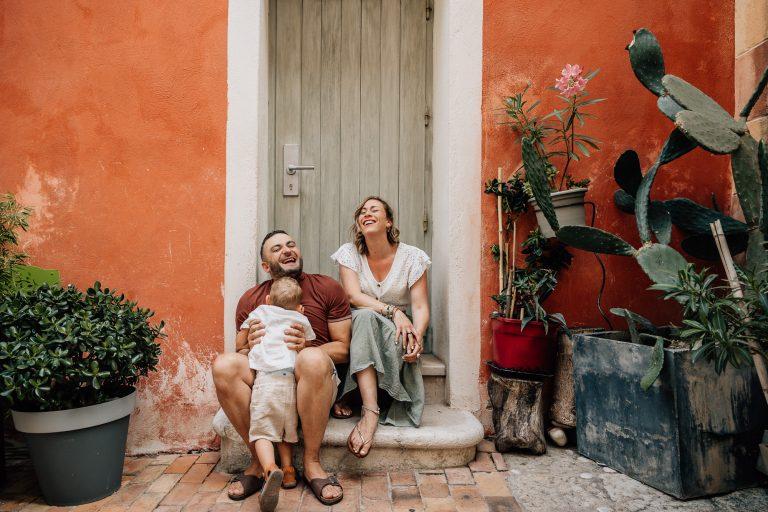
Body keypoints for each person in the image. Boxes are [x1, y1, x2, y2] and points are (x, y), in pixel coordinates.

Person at [212, 231, 350, 505]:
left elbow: (344, 348)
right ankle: (259, 464)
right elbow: (240, 351)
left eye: (291, 245)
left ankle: (311, 464)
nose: (287, 250)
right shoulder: (252, 299)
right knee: (224, 364)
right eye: (277, 248)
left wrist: (306, 348)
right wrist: (246, 344)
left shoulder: (327, 287)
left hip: (315, 381)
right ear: (266, 266)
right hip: (269, 381)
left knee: (311, 359)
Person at [330, 196, 430, 459]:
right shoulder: (349, 254)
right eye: (362, 211)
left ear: (389, 222)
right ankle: (371, 411)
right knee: (363, 317)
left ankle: (359, 400)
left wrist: (417, 337)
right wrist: (393, 311)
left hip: (397, 333)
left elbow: (420, 308)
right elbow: (353, 296)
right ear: (359, 223)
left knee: (372, 321)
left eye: (375, 210)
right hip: (361, 328)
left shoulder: (412, 257)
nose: (367, 213)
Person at [240, 277, 315, 510]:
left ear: (268, 300)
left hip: (266, 380)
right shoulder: (301, 318)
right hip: (290, 381)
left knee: (262, 430)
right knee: (286, 429)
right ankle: (289, 471)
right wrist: (299, 314)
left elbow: (242, 337)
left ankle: (270, 469)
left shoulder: (260, 311)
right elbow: (309, 342)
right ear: (300, 306)